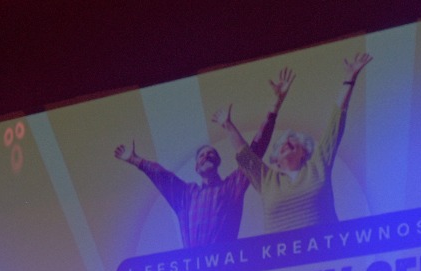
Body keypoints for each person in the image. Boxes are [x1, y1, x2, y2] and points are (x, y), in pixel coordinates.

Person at [115, 69, 294, 248]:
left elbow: (254, 153)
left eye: (211, 154)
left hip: (223, 261)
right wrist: (135, 159)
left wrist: (274, 107)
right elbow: (162, 175)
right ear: (196, 167)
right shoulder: (186, 195)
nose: (207, 155)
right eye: (202, 155)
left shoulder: (231, 187)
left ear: (218, 162)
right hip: (194, 264)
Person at [214, 52, 372, 232]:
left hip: (326, 249)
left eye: (294, 141)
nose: (287, 142)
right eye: (281, 144)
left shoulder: (318, 164)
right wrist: (228, 125)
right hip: (282, 251)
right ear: (276, 160)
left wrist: (349, 79)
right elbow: (246, 156)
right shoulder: (267, 180)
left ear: (304, 152)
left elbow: (335, 125)